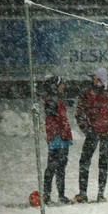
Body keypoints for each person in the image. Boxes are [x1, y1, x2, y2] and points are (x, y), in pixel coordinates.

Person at [74, 67, 108, 203]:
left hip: (106, 135)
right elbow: (79, 113)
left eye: (97, 78)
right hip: (92, 134)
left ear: (102, 79)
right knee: (84, 163)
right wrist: (87, 129)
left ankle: (100, 194)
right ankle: (83, 193)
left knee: (103, 164)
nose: (94, 81)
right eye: (93, 78)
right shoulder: (86, 93)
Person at [41, 75, 73, 205]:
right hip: (58, 138)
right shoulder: (52, 100)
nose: (63, 86)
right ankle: (48, 196)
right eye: (61, 84)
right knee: (54, 167)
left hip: (61, 137)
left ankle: (57, 195)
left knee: (59, 167)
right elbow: (55, 118)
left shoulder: (56, 99)